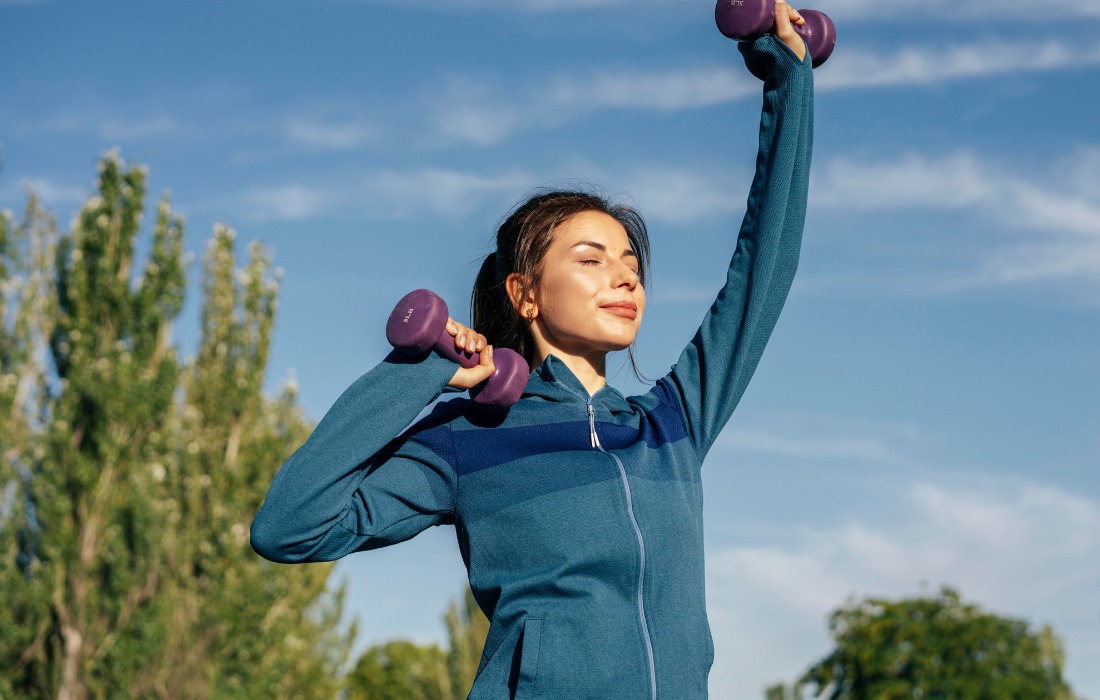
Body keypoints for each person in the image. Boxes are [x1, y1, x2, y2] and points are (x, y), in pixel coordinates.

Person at [251, 3, 814, 697]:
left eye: (630, 260)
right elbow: (289, 528)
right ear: (525, 293)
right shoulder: (470, 439)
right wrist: (422, 372)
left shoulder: (672, 424)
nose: (625, 273)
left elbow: (765, 270)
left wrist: (788, 85)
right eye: (591, 258)